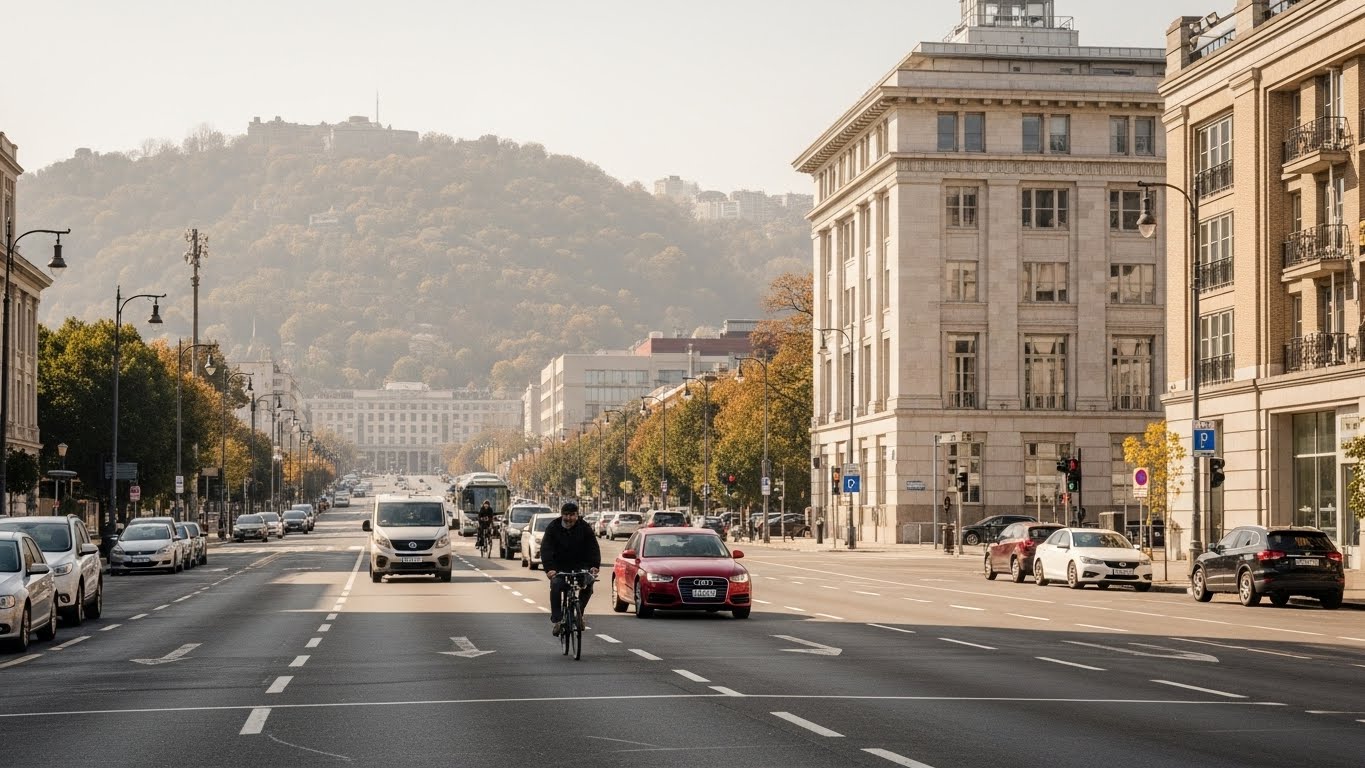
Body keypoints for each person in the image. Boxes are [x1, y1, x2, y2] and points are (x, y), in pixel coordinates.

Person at [540, 501, 601, 637]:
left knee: (589, 583)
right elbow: (546, 549)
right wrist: (550, 569)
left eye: (572, 515)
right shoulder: (553, 527)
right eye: (566, 515)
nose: (569, 519)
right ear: (562, 515)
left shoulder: (584, 527)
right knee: (556, 586)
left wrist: (594, 566)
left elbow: (593, 547)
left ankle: (579, 613)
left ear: (577, 515)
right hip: (559, 568)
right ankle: (557, 619)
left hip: (581, 566)